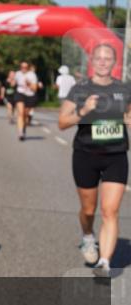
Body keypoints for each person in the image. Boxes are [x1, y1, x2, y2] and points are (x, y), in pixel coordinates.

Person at [58, 43, 131, 278]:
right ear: (92, 61)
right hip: (85, 155)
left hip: (116, 156)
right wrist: (84, 110)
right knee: (88, 210)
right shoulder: (80, 90)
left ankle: (105, 262)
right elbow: (62, 122)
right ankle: (88, 236)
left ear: (114, 62)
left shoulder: (124, 89)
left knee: (110, 211)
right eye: (98, 58)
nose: (102, 62)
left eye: (107, 58)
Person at [15, 60, 41, 140]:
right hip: (20, 94)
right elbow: (14, 83)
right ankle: (20, 132)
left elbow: (35, 89)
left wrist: (29, 83)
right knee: (20, 113)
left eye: (25, 67)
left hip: (30, 96)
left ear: (28, 68)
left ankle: (23, 129)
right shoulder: (18, 74)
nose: (23, 69)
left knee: (25, 115)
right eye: (22, 67)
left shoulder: (32, 75)